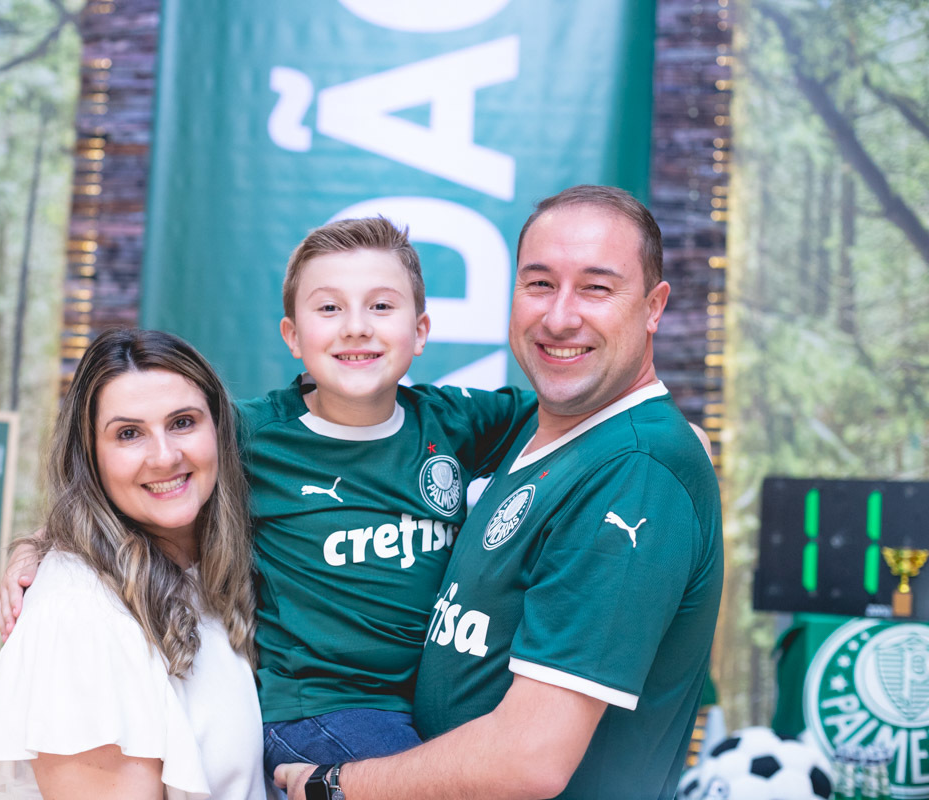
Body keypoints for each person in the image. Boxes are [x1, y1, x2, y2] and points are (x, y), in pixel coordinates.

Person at [0, 218, 537, 776]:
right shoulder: (247, 432)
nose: (356, 328)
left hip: (420, 703)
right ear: (293, 336)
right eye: (328, 309)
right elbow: (147, 477)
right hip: (320, 712)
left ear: (421, 330)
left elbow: (574, 410)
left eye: (381, 307)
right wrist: (39, 545)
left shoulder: (458, 421)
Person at [276, 185, 724, 800]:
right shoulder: (543, 430)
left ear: (653, 306)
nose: (561, 316)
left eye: (596, 287)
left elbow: (530, 759)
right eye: (539, 284)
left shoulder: (635, 472)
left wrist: (337, 785)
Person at [0, 328, 266, 799]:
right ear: (90, 457)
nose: (165, 456)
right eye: (128, 434)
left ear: (219, 430)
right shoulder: (78, 616)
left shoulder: (212, 572)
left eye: (183, 422)